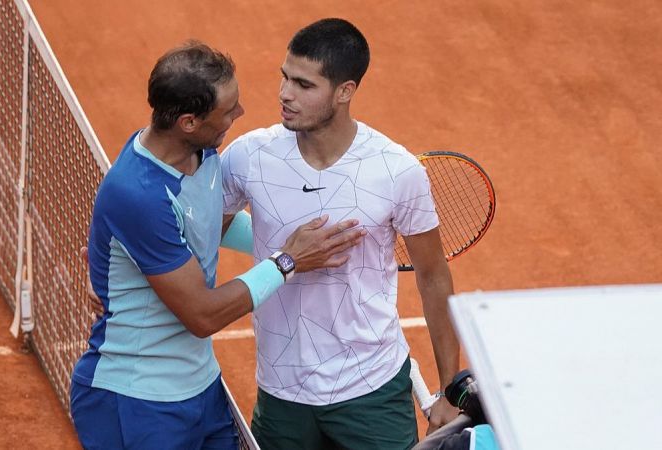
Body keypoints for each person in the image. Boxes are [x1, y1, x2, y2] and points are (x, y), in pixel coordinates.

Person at [70, 41, 365, 450]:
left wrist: (307, 244)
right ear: (189, 121)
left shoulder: (202, 152)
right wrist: (288, 260)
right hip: (136, 401)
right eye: (228, 110)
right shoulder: (139, 193)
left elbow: (209, 225)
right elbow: (203, 316)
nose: (239, 114)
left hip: (201, 389)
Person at [220, 18, 461, 449]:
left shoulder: (396, 170)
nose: (284, 94)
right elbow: (206, 234)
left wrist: (447, 389)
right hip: (281, 392)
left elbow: (433, 275)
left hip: (372, 391)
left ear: (345, 91)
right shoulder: (247, 157)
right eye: (284, 77)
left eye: (304, 85)